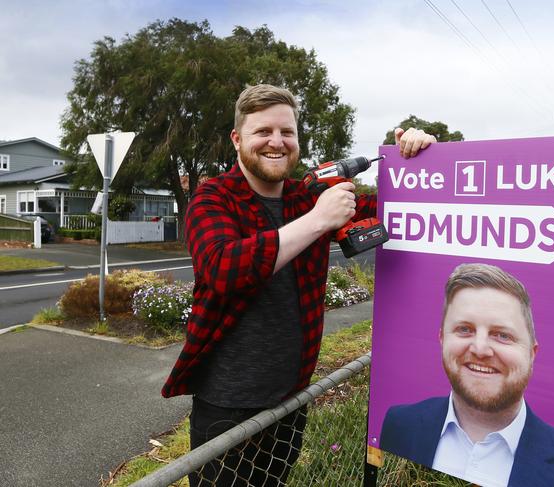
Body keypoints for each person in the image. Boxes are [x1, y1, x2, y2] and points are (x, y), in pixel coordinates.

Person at [161, 83, 436, 486]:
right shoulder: (212, 198)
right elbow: (222, 270)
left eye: (287, 132)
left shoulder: (308, 195)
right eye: (263, 132)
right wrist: (319, 221)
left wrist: (414, 160)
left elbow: (400, 209)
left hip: (293, 395)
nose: (277, 142)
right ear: (238, 140)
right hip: (227, 404)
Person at [380, 263, 554, 487]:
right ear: (442, 339)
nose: (480, 349)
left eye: (502, 335)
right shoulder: (399, 423)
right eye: (464, 329)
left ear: (531, 354)